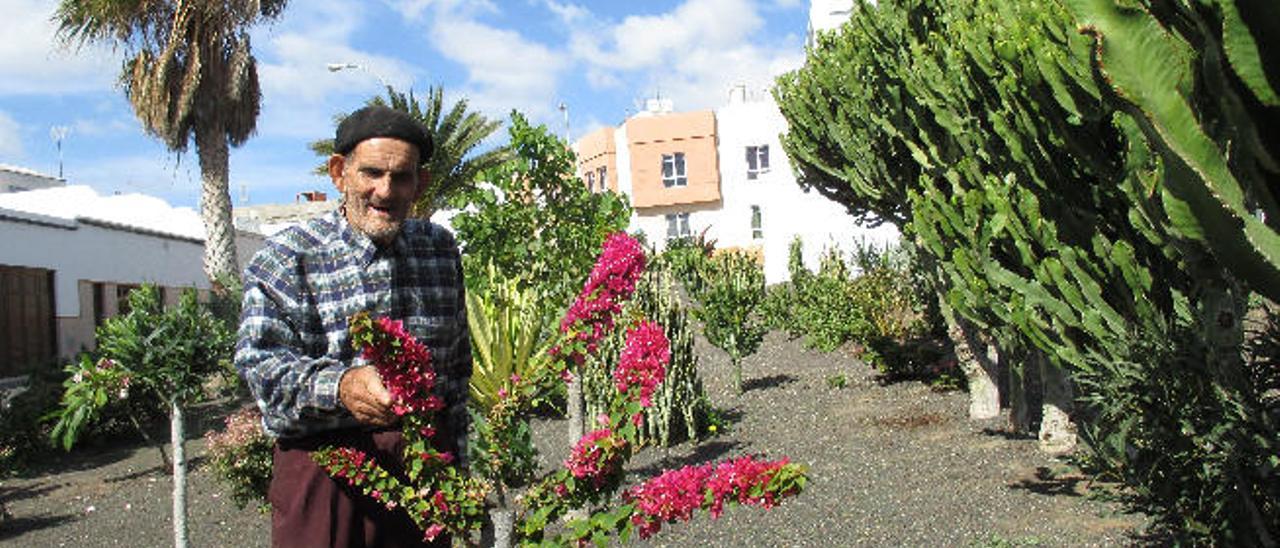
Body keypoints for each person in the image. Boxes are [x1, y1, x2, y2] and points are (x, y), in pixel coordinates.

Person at [235, 105, 471, 548]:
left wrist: (459, 472)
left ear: (420, 183)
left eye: (402, 177)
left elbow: (456, 370)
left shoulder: (440, 250)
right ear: (339, 172)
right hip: (322, 479)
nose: (386, 190)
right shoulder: (286, 258)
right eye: (372, 173)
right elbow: (260, 368)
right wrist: (340, 387)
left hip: (425, 473)